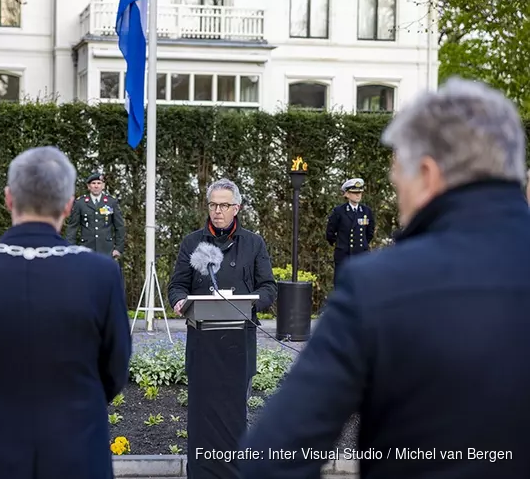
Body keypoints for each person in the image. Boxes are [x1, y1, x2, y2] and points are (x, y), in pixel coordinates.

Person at [240, 78, 530, 479]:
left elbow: (271, 459)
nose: (397, 199)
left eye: (399, 183)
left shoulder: (380, 288)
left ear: (427, 176)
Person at [0, 146, 131, 479]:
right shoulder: (100, 273)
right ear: (69, 205)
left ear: (9, 198)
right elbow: (114, 370)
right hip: (79, 450)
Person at [167, 178, 276, 479]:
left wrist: (253, 302)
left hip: (238, 346)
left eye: (224, 205)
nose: (218, 211)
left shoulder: (254, 243)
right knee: (201, 419)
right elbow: (177, 285)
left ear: (237, 208)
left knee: (233, 417)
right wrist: (178, 301)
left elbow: (268, 287)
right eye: (213, 204)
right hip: (203, 347)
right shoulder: (192, 242)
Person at [325, 178, 375, 284]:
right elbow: (330, 232)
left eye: (360, 193)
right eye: (354, 193)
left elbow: (369, 232)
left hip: (361, 255)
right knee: (342, 285)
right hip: (343, 255)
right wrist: (340, 244)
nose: (358, 195)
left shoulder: (366, 211)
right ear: (347, 194)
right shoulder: (339, 211)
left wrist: (362, 245)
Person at [64, 173, 125, 258]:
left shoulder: (111, 202)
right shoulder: (80, 203)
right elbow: (72, 227)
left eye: (99, 183)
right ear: (88, 186)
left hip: (107, 250)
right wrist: (70, 249)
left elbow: (120, 226)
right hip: (86, 249)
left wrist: (118, 248)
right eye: (93, 183)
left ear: (103, 186)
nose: (96, 186)